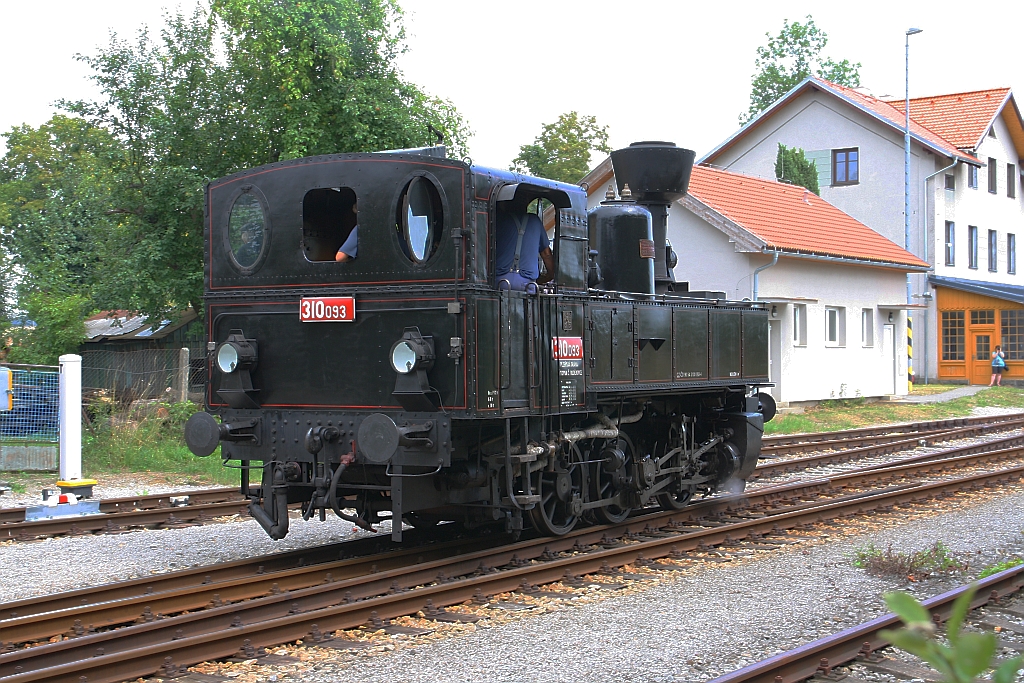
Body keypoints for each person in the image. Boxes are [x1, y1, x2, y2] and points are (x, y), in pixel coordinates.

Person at [495, 203, 555, 292]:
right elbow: (547, 255)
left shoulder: (500, 219)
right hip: (527, 283)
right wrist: (551, 275)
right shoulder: (535, 221)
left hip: (501, 280)